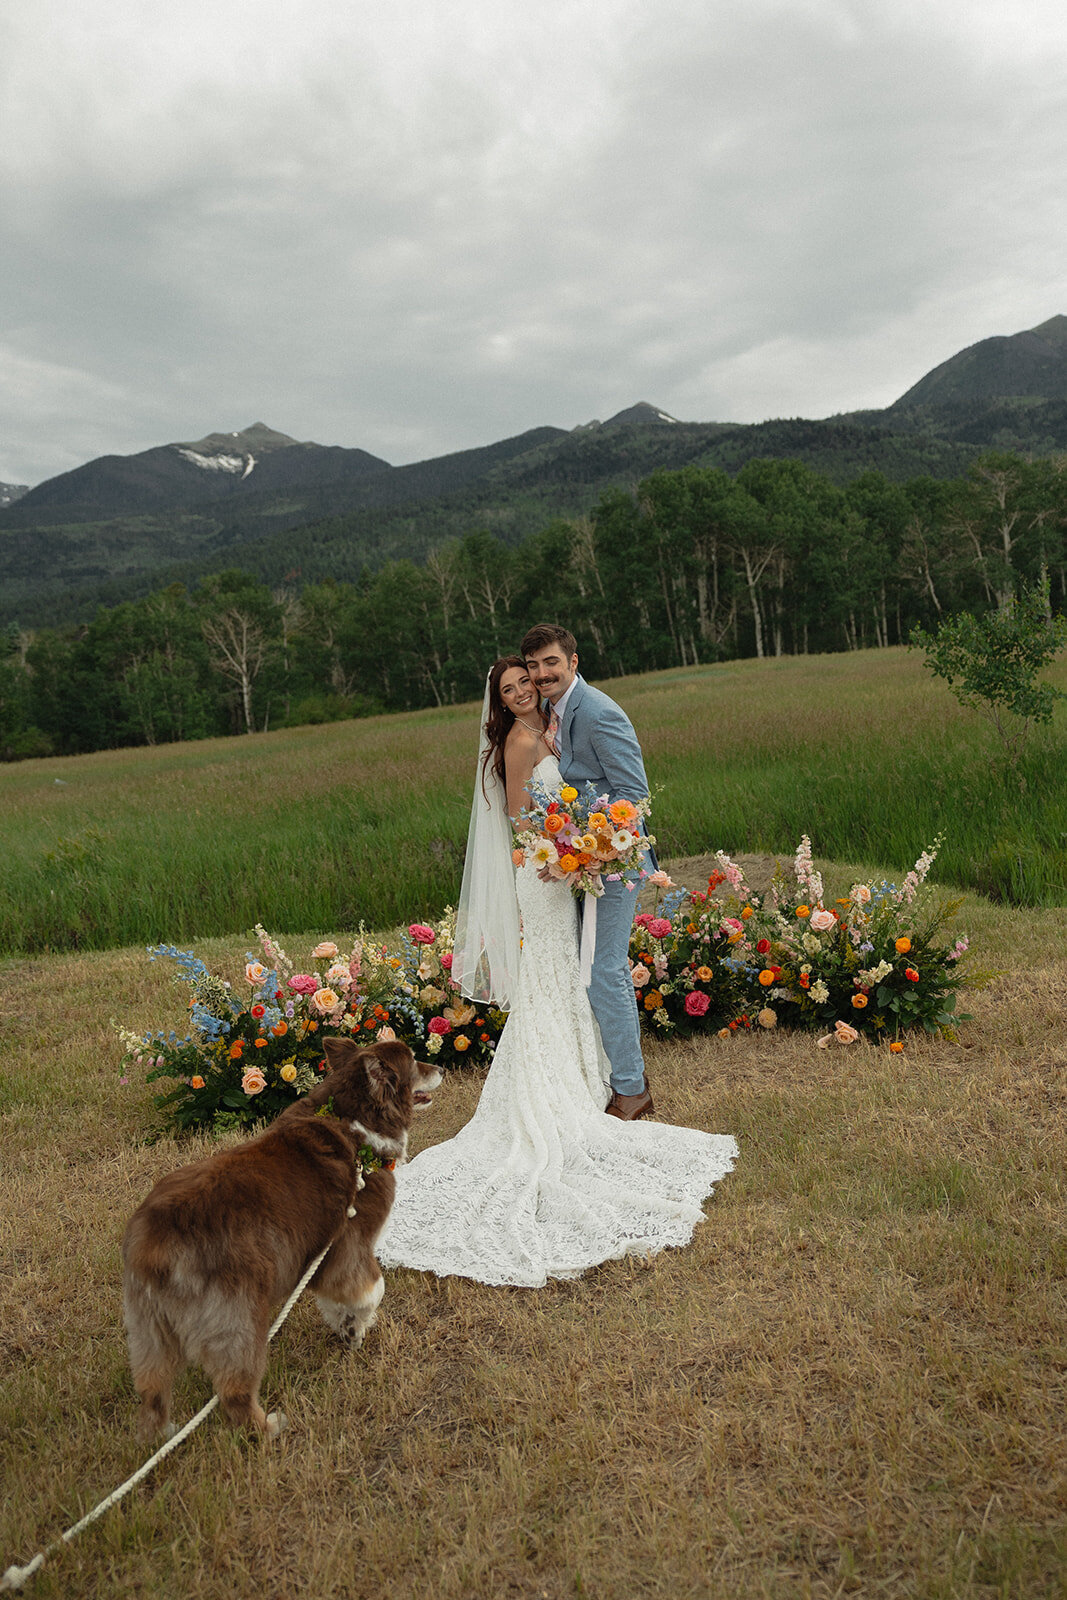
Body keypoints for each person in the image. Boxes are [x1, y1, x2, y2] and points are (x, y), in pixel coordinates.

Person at [376, 654, 736, 1289]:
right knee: (554, 974)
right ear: (499, 701)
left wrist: (578, 847)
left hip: (568, 865)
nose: (522, 691)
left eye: (528, 681)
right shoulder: (520, 741)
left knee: (574, 974)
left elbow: (593, 789)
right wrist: (560, 853)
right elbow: (520, 818)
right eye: (511, 687)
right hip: (542, 872)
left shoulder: (562, 723)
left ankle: (592, 1074)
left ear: (553, 674)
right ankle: (570, 1083)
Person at [521, 622, 653, 1120]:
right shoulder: (555, 711)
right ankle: (614, 1073)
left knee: (603, 972)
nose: (541, 674)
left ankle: (632, 1090)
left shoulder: (597, 711)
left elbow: (633, 795)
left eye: (550, 662)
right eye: (533, 667)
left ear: (573, 662)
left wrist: (587, 850)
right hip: (584, 865)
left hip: (614, 864)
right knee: (591, 970)